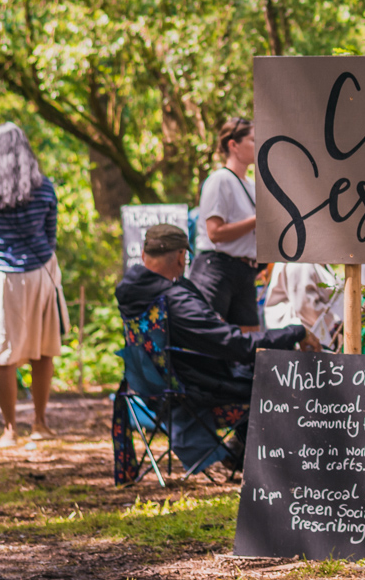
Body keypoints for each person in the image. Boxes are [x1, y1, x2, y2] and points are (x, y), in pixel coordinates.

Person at [116, 224, 310, 471]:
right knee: (278, 379)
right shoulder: (176, 301)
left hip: (151, 389)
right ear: (181, 257)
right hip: (194, 392)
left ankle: (240, 453)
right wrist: (295, 331)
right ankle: (282, 466)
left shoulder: (132, 294)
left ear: (144, 256)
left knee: (250, 372)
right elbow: (237, 345)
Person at [0, 124, 67, 448]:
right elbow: (51, 237)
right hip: (39, 275)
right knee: (43, 350)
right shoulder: (44, 188)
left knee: (2, 354)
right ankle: (41, 423)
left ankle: (9, 429)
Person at [190, 118, 262, 331]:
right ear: (233, 145)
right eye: (253, 140)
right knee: (209, 339)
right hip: (217, 268)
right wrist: (257, 221)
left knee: (249, 342)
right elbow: (215, 232)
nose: (258, 146)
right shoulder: (220, 179)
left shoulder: (251, 186)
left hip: (246, 271)